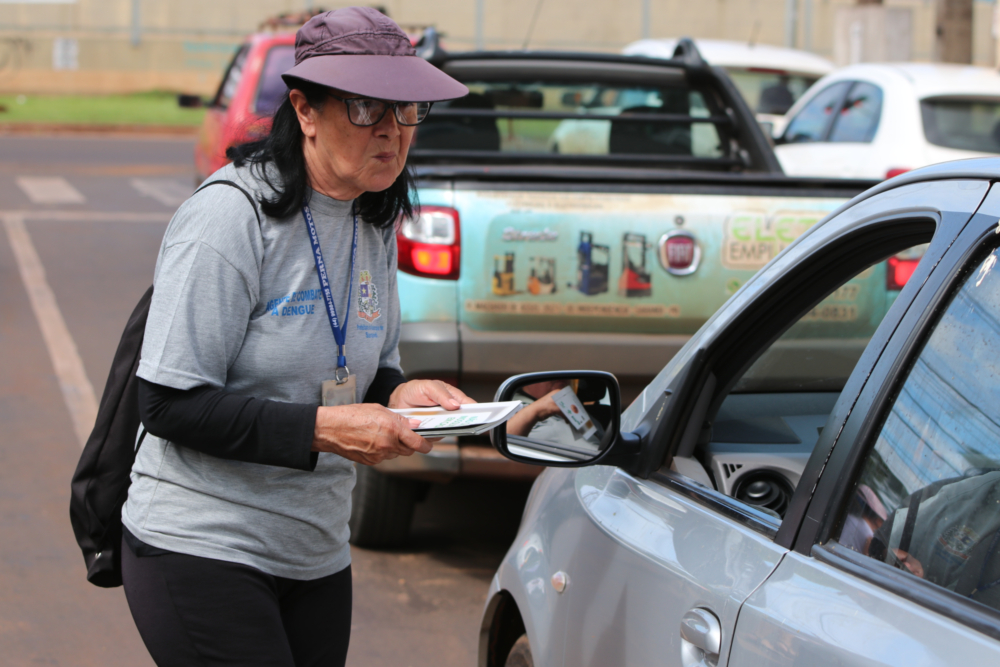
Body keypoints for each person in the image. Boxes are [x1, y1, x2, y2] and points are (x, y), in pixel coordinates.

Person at [119, 8, 471, 666]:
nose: (392, 133)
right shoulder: (230, 216)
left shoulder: (372, 215)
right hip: (199, 544)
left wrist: (401, 393)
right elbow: (167, 403)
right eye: (368, 108)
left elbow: (373, 371)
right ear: (305, 110)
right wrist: (327, 428)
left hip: (313, 551)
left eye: (408, 110)